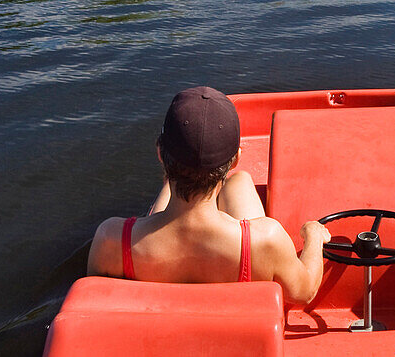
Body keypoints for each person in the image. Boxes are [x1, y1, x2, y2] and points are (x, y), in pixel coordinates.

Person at [88, 86, 332, 304]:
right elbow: (305, 291)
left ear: (160, 153)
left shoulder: (111, 239)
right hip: (238, 254)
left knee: (187, 188)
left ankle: (183, 181)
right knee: (240, 181)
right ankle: (211, 182)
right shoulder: (266, 241)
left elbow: (94, 304)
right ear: (236, 158)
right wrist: (314, 236)